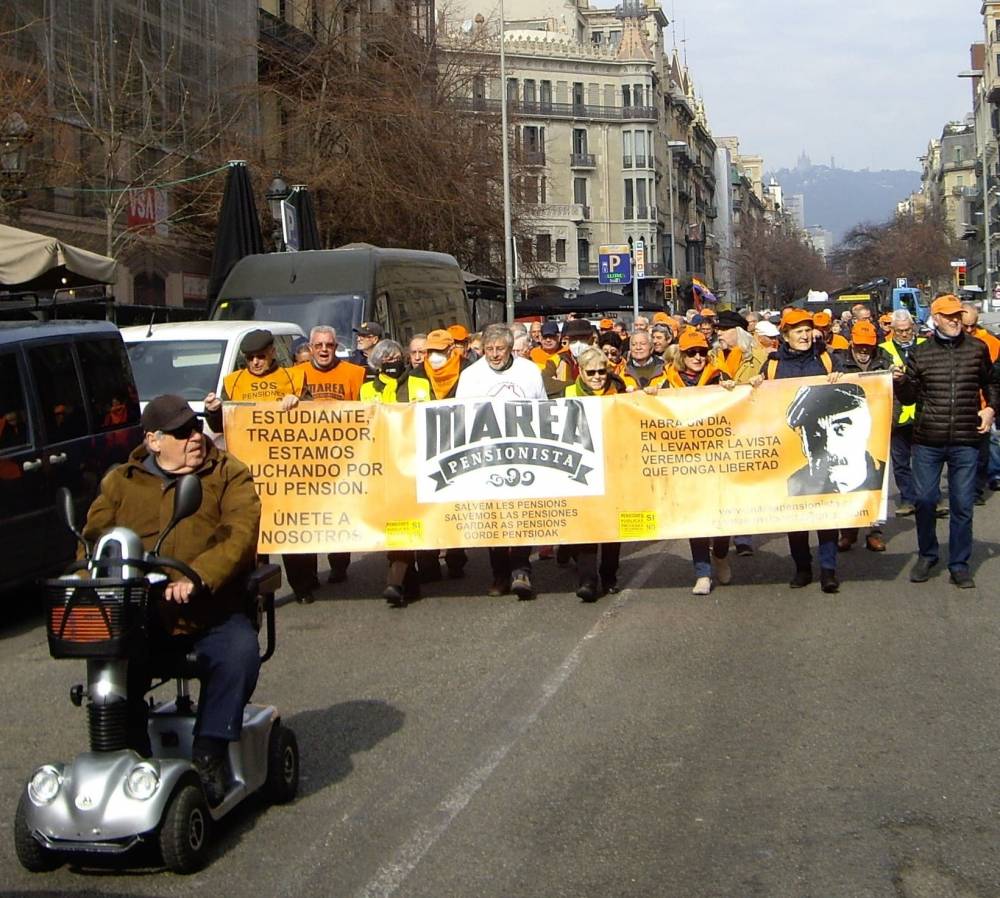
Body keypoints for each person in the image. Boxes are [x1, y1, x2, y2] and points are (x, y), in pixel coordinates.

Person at [81, 394, 261, 806]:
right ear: (154, 440)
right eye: (181, 432)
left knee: (238, 650)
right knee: (110, 660)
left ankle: (210, 753)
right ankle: (128, 755)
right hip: (141, 613)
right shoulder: (120, 482)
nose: (194, 437)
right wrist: (86, 582)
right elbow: (96, 540)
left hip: (209, 610)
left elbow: (239, 534)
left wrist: (195, 577)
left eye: (195, 427)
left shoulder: (229, 473)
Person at [894, 294, 1000, 588]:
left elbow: (992, 382)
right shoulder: (921, 353)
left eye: (958, 315)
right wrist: (901, 383)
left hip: (966, 438)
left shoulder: (977, 349)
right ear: (936, 318)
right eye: (949, 316)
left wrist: (991, 408)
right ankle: (928, 554)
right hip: (928, 439)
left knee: (963, 504)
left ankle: (959, 564)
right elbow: (910, 397)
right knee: (926, 500)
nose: (955, 320)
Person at [204, 329, 312, 601]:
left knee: (289, 528)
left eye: (260, 357)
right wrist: (213, 411)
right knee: (254, 532)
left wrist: (299, 402)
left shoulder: (293, 376)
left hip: (285, 467)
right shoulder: (233, 381)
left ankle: (303, 586)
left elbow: (314, 417)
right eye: (250, 358)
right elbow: (222, 427)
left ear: (273, 353)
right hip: (247, 469)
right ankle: (259, 592)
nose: (255, 363)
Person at [456, 324, 546, 598]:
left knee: (521, 512)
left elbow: (542, 408)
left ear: (511, 349)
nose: (494, 355)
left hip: (523, 453)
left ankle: (521, 571)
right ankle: (499, 575)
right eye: (489, 349)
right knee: (493, 516)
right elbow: (459, 414)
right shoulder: (471, 375)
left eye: (500, 349)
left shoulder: (529, 371)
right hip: (486, 457)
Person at [759, 308, 843, 593]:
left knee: (826, 509)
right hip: (787, 445)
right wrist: (754, 386)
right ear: (785, 336)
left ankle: (829, 569)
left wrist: (841, 377)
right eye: (798, 331)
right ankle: (802, 567)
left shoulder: (827, 359)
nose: (805, 335)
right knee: (795, 510)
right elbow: (756, 403)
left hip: (825, 445)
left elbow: (852, 387)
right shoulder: (772, 365)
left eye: (807, 330)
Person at [662, 331, 735, 594]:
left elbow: (739, 409)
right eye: (691, 352)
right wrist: (648, 395)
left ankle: (721, 554)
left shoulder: (720, 377)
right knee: (697, 516)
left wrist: (731, 389)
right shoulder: (666, 382)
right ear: (681, 354)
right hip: (685, 458)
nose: (697, 357)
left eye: (702, 352)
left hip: (718, 456)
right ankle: (702, 573)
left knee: (723, 514)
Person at [561, 346, 625, 599]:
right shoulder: (567, 392)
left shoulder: (620, 389)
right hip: (580, 465)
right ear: (581, 372)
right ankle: (587, 580)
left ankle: (609, 576)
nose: (598, 376)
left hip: (615, 464)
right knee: (586, 524)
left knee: (611, 526)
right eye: (591, 372)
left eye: (602, 371)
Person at [831, 320, 892, 552]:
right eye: (860, 346)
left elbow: (896, 393)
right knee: (849, 481)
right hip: (847, 431)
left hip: (877, 427)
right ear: (852, 343)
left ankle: (874, 531)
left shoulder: (885, 359)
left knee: (876, 479)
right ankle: (848, 532)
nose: (864, 351)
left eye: (869, 346)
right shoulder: (838, 361)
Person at [785, 382, 885, 496]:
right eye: (815, 433)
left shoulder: (884, 478)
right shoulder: (792, 487)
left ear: (866, 430)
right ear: (804, 443)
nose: (829, 447)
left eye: (841, 429)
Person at [878, 310, 924, 517]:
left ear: (913, 328)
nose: (904, 335)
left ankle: (929, 498)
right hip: (896, 413)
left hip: (923, 412)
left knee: (925, 459)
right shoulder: (883, 350)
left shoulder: (925, 344)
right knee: (901, 460)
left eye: (907, 330)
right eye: (899, 331)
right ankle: (907, 498)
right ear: (892, 330)